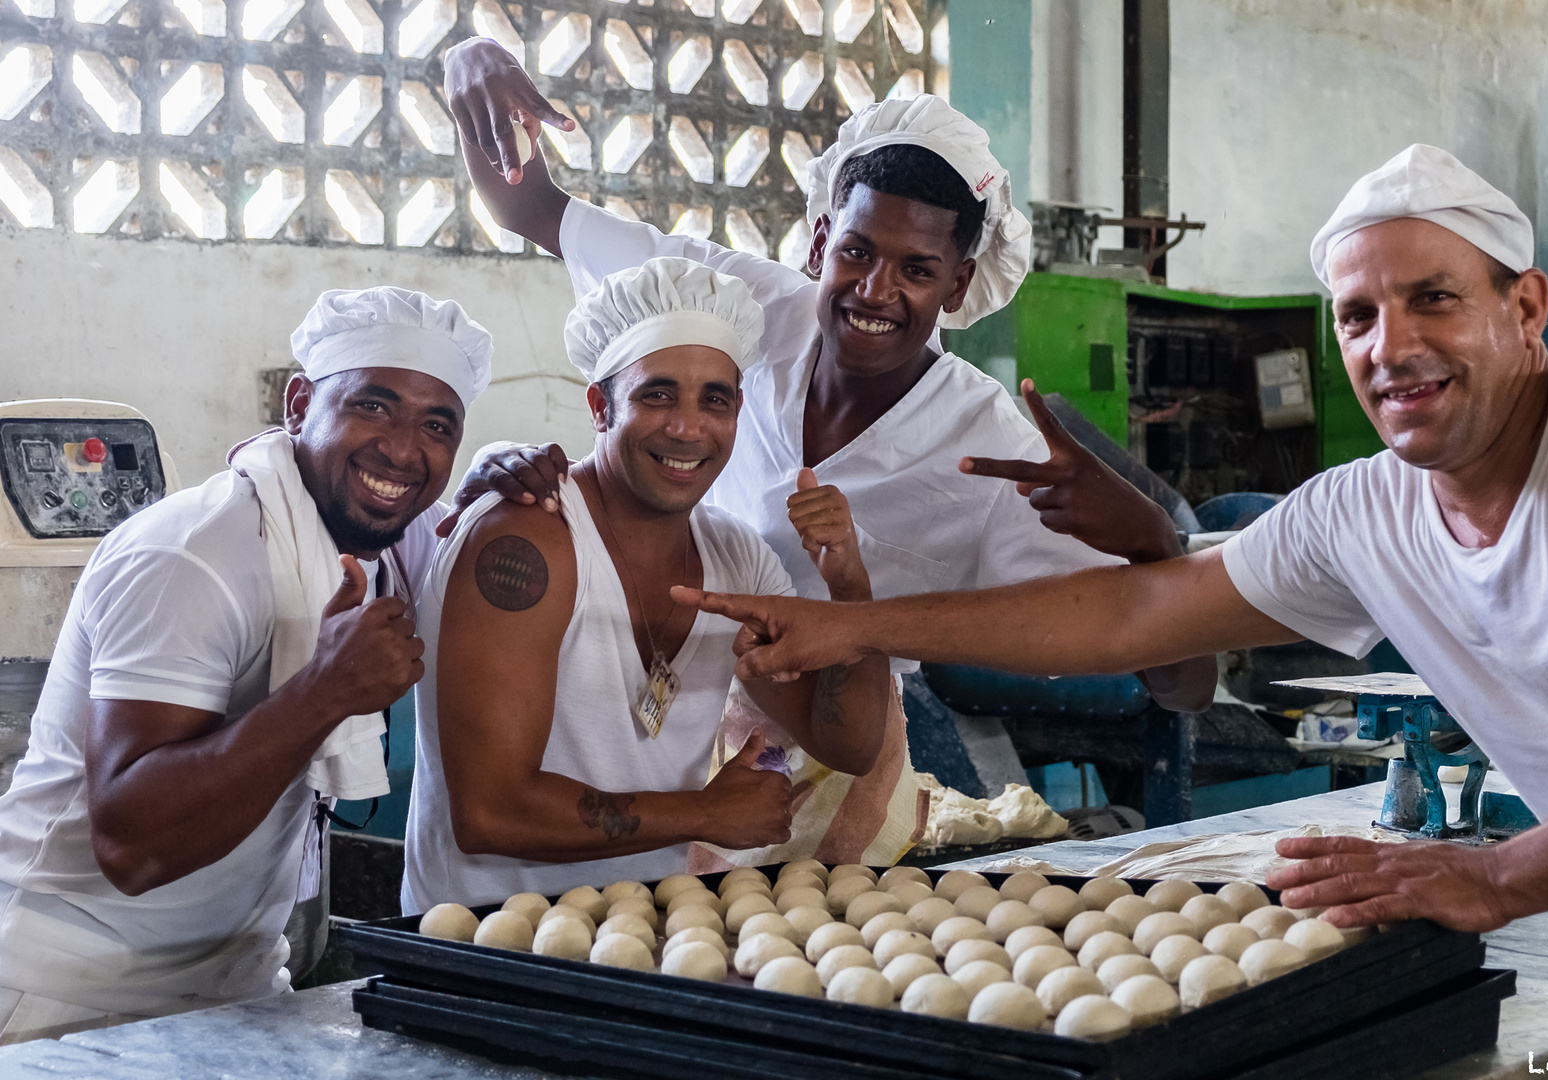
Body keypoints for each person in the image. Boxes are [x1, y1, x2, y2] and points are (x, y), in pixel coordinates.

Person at [671, 143, 1548, 933]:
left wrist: (1497, 878)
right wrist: (860, 627)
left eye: (1435, 299)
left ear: (1527, 307)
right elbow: (1137, 618)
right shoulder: (1363, 511)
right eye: (1359, 317)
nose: (1392, 347)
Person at [442, 41, 1216, 866]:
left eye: (917, 269)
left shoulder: (991, 451)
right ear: (818, 243)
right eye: (856, 252)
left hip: (848, 740)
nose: (876, 292)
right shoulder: (732, 313)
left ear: (958, 287)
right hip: (676, 726)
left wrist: (1152, 544)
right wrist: (471, 70)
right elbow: (531, 210)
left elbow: (1175, 678)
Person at [0, 288, 524, 1043]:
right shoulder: (193, 555)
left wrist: (511, 467)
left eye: (437, 425)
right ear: (300, 402)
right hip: (68, 1001)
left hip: (235, 987)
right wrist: (325, 689)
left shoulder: (380, 537)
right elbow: (132, 847)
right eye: (373, 407)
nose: (405, 449)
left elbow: (476, 519)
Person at [403, 258, 891, 908]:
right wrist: (702, 813)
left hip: (645, 944)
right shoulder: (525, 541)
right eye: (657, 394)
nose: (687, 427)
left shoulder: (736, 559)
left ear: (737, 411)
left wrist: (853, 590)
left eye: (713, 399)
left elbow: (847, 745)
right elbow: (489, 813)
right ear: (600, 406)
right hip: (487, 952)